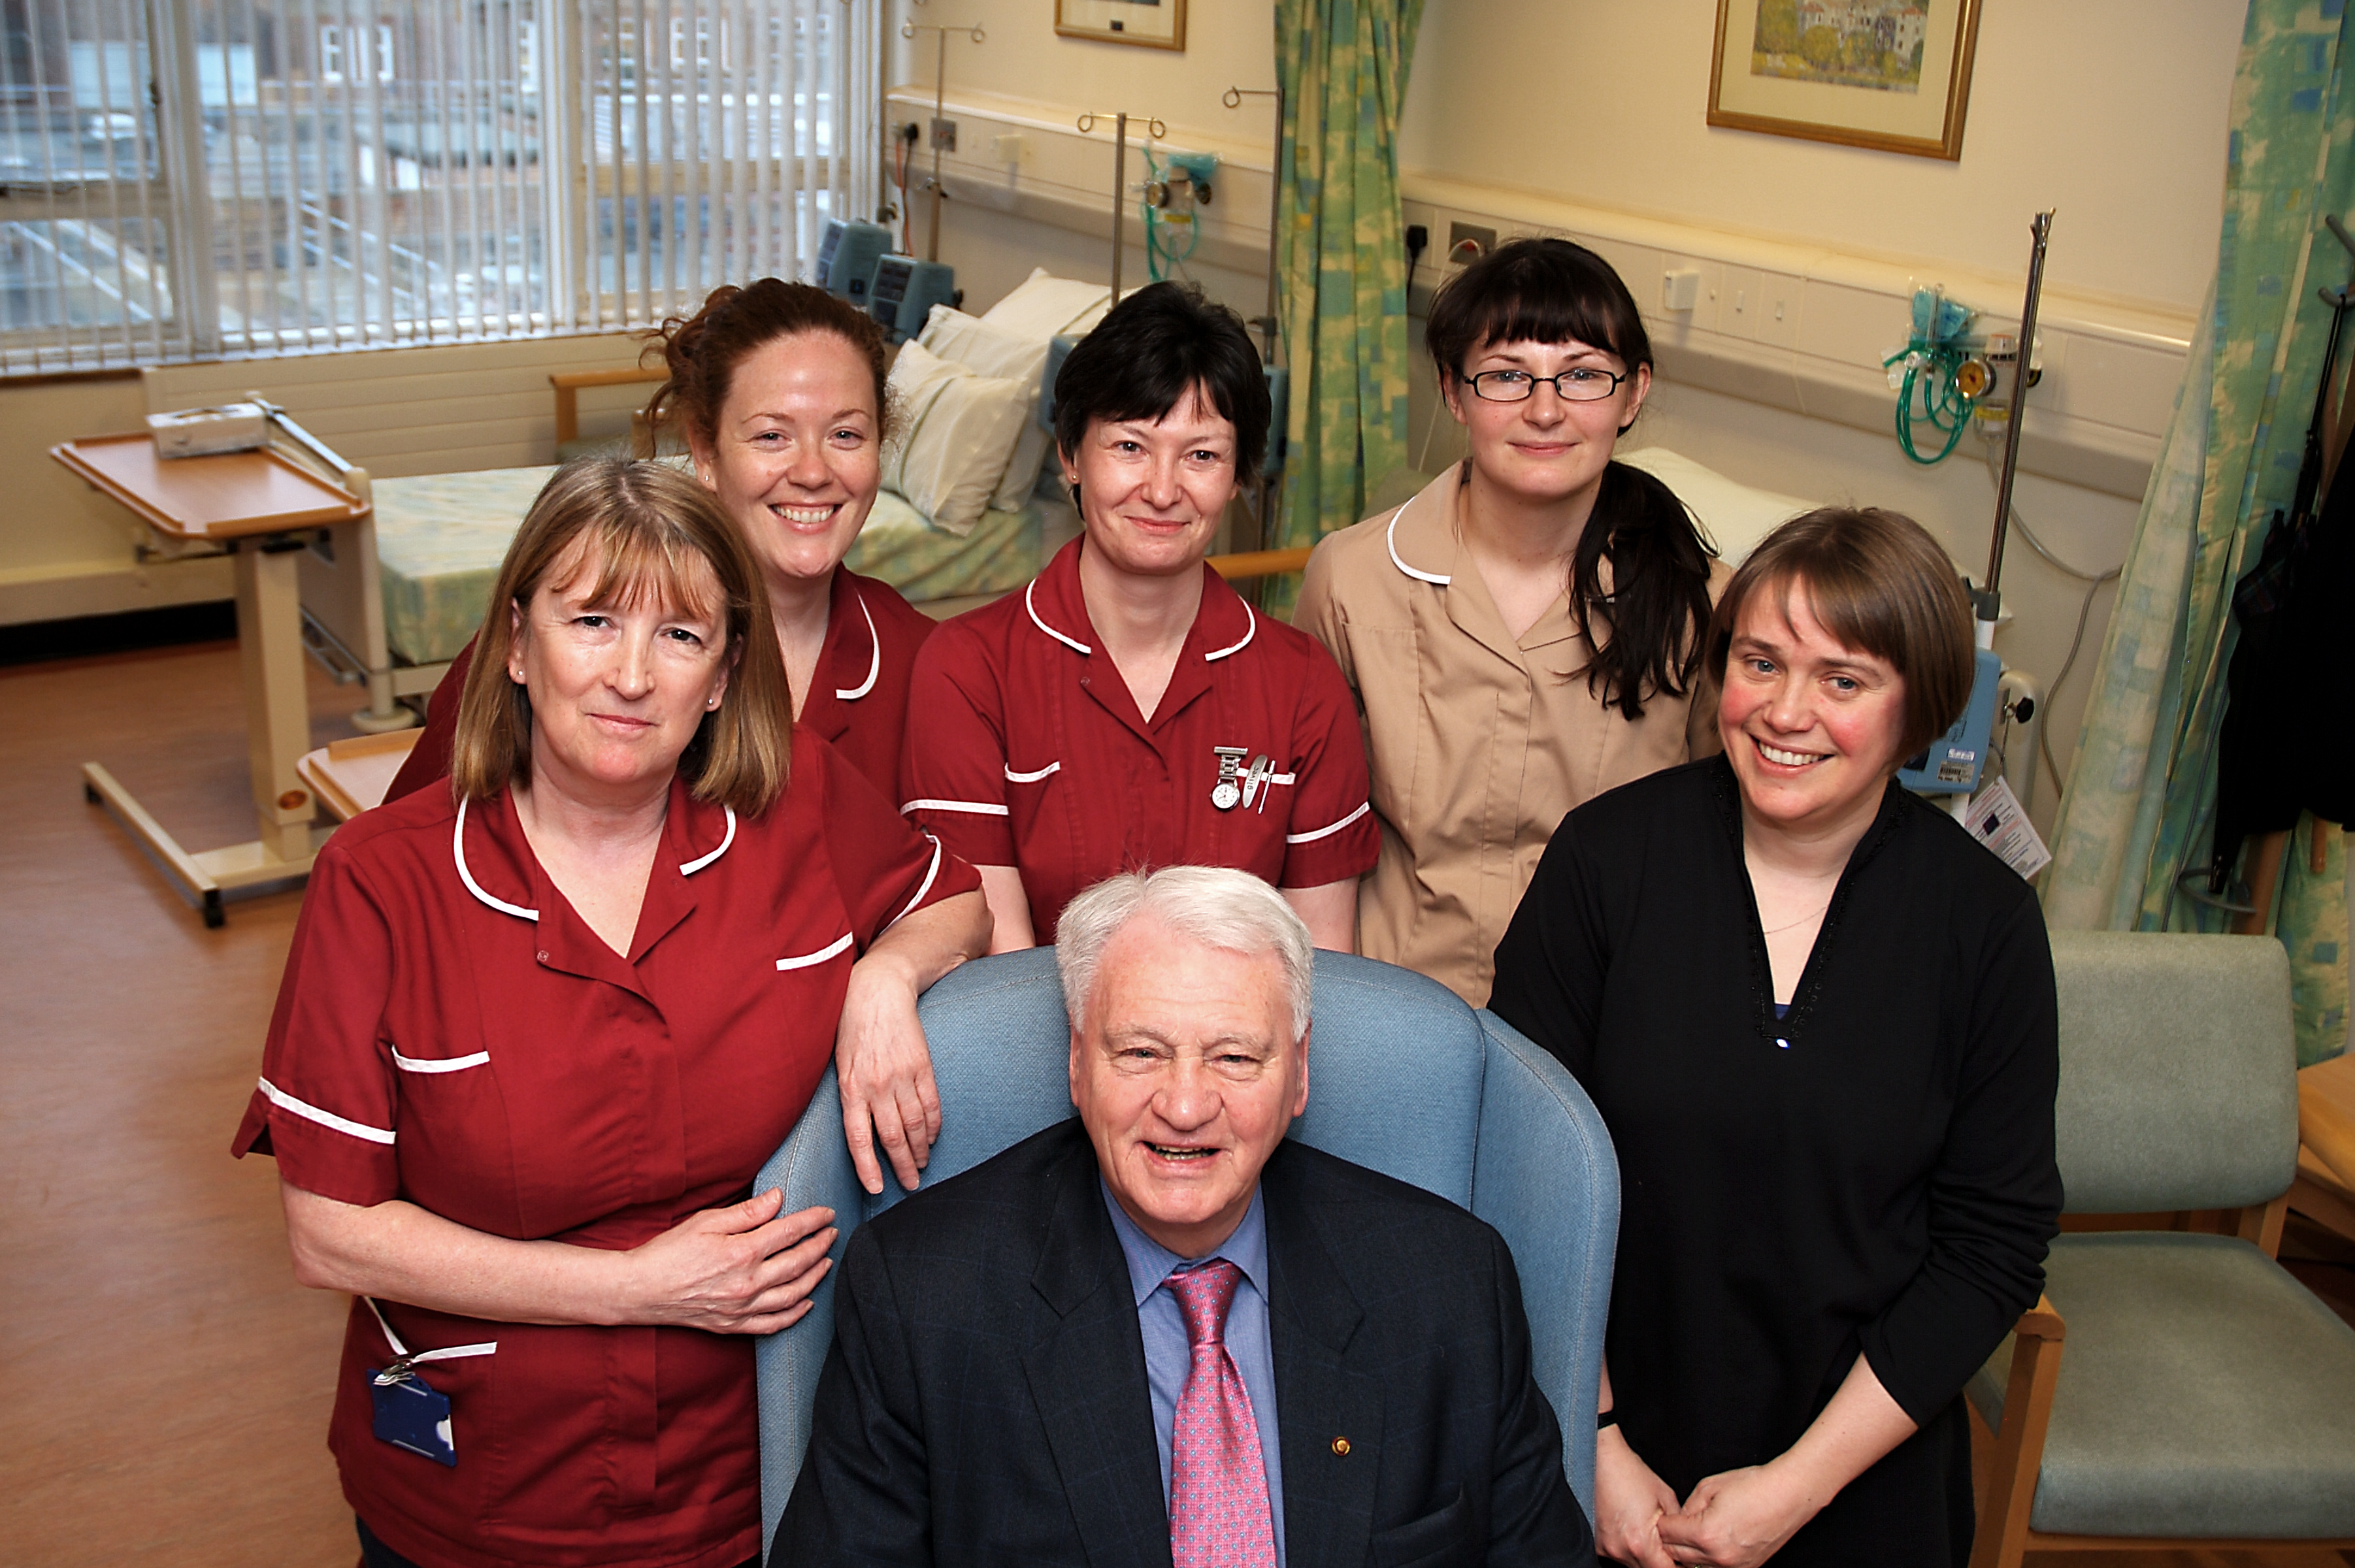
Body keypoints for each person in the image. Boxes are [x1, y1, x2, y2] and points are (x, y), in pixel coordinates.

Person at [231, 459, 991, 1568]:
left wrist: (882, 981)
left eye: (680, 638)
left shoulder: (795, 810)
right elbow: (328, 1230)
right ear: (515, 643)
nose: (631, 675)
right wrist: (638, 1287)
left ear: (727, 674)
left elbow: (954, 902)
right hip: (479, 1483)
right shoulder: (379, 881)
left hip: (748, 1466)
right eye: (590, 620)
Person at [1488, 508, 2062, 1567]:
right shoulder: (1607, 863)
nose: (1784, 712)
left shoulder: (1980, 926)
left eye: (1842, 680)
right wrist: (1598, 1441)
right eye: (1758, 662)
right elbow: (1519, 1169)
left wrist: (1794, 1490)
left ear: (1918, 705)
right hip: (1600, 1442)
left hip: (1856, 1461)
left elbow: (1991, 1244)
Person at [774, 865, 1596, 1567]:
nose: (1186, 1104)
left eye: (1236, 1057)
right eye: (1140, 1052)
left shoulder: (1448, 1283)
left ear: (1299, 1073)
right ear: (1075, 1060)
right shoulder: (923, 1297)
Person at [1296, 238, 1728, 1005]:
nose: (1544, 409)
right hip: (1390, 1003)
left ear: (1634, 395)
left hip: (1605, 1017)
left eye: (1584, 375)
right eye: (1505, 376)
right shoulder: (1352, 578)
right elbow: (1309, 830)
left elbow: (1722, 837)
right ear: (1454, 394)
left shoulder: (1702, 606)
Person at [899, 282, 1378, 951]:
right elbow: (996, 966)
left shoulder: (1301, 686)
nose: (1160, 490)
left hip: (1240, 1048)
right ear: (1070, 456)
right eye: (1129, 447)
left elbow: (1320, 961)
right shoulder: (969, 671)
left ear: (1240, 475)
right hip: (1038, 1049)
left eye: (1202, 455)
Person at [386, 278, 935, 805]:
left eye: (846, 435)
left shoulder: (930, 667)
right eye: (772, 436)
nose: (813, 472)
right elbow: (404, 855)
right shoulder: (559, 643)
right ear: (704, 451)